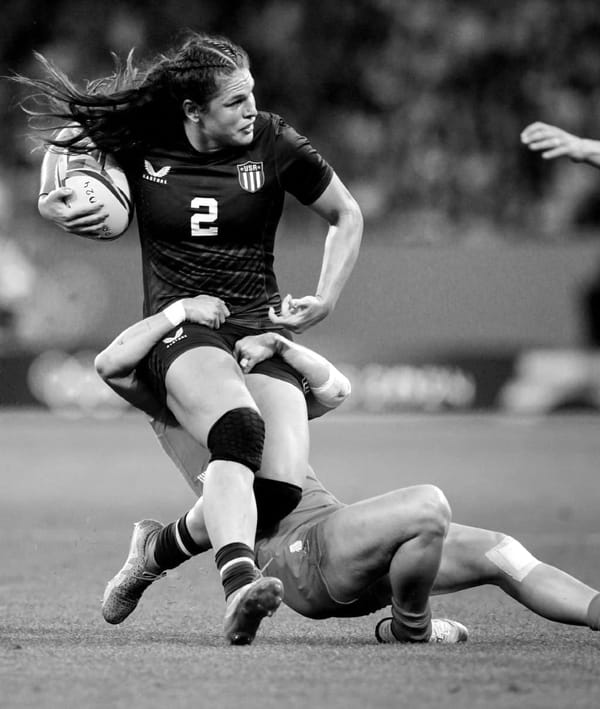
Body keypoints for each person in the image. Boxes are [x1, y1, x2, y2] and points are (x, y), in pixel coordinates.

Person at [16, 32, 363, 643]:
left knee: (277, 489)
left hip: (256, 325)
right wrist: (51, 204)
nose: (250, 110)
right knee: (239, 431)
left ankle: (155, 550)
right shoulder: (142, 141)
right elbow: (62, 156)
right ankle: (239, 588)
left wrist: (327, 298)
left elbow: (346, 213)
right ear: (193, 111)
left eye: (251, 95)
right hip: (180, 329)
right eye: (234, 102)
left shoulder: (274, 141)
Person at [95, 301, 600, 644]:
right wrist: (177, 313)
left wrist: (283, 347)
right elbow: (112, 363)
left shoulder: (261, 392)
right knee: (427, 506)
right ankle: (412, 629)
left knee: (501, 552)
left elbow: (336, 390)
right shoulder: (170, 402)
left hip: (345, 540)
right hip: (299, 560)